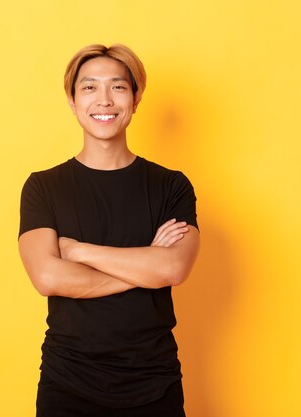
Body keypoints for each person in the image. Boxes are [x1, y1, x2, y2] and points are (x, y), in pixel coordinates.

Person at [18, 43, 200, 417]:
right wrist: (146, 265)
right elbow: (48, 277)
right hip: (67, 383)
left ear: (135, 99)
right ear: (71, 101)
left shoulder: (172, 186)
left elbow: (173, 269)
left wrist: (80, 251)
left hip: (154, 381)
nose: (104, 100)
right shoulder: (43, 187)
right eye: (89, 87)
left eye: (118, 87)